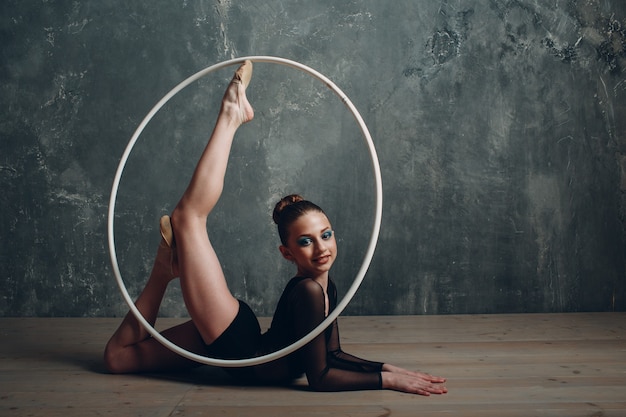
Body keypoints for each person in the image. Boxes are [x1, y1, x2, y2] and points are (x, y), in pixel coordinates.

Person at [104, 60, 447, 395]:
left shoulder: (326, 288)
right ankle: (230, 116)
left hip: (240, 345)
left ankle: (164, 272)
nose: (321, 247)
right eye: (306, 241)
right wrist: (386, 383)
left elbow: (334, 355)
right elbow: (321, 377)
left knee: (117, 359)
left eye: (325, 235)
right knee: (187, 219)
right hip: (236, 345)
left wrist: (386, 368)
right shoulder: (310, 291)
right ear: (287, 253)